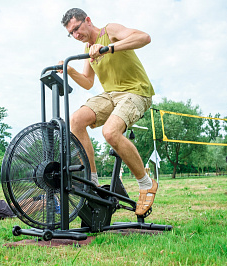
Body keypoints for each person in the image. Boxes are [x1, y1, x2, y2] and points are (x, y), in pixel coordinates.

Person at [59, 8, 157, 216]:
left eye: (77, 28)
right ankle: (92, 180)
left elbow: (144, 37)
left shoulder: (109, 30)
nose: (76, 35)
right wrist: (71, 71)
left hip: (136, 92)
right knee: (75, 120)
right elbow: (87, 82)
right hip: (111, 95)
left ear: (88, 20)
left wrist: (109, 48)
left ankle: (146, 184)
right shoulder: (88, 48)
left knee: (110, 132)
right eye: (71, 33)